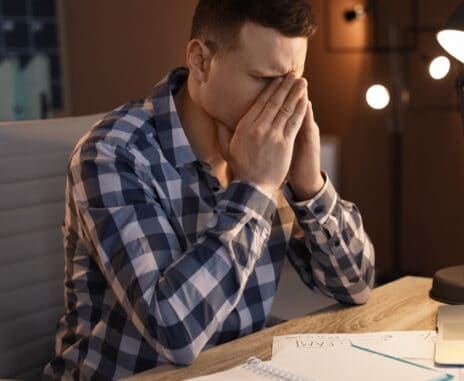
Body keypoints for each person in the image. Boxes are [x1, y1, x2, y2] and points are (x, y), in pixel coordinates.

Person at [44, 1, 375, 379]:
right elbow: (173, 332)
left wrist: (309, 186)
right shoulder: (112, 154)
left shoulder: (271, 148)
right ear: (200, 61)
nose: (283, 103)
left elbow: (357, 285)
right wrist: (256, 188)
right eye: (265, 80)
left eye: (293, 83)